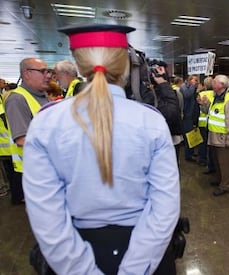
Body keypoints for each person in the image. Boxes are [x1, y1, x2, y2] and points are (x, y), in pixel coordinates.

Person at [22, 24, 180, 274]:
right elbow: (165, 206)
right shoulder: (150, 121)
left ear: (79, 65)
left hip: (73, 251)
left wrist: (81, 269)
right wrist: (134, 268)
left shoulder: (46, 123)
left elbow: (46, 215)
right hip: (145, 250)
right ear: (126, 65)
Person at [5, 58, 51, 205]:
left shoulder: (41, 96)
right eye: (42, 71)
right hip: (33, 172)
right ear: (27, 74)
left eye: (48, 71)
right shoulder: (17, 99)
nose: (48, 75)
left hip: (46, 170)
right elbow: (21, 140)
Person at [199, 75, 229, 196]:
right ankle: (219, 179)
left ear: (221, 85)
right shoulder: (215, 96)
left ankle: (225, 185)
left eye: (215, 81)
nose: (212, 83)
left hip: (223, 137)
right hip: (214, 135)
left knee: (224, 163)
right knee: (217, 161)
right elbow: (208, 113)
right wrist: (204, 104)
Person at [181, 74, 199, 162]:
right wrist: (192, 86)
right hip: (186, 115)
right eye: (195, 80)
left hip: (191, 114)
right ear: (190, 80)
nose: (196, 82)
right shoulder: (184, 87)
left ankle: (191, 152)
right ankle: (188, 155)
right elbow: (187, 95)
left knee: (191, 134)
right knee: (188, 135)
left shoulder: (192, 88)